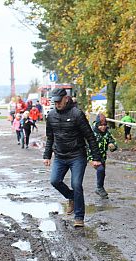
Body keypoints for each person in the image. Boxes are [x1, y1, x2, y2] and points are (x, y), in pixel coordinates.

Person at [43, 87, 102, 228]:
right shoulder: (51, 116)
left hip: (77, 156)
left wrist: (96, 157)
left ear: (66, 98)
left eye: (59, 101)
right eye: (54, 102)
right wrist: (47, 155)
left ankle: (79, 216)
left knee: (76, 184)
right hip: (60, 155)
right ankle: (71, 197)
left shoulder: (77, 114)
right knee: (55, 181)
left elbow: (90, 137)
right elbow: (50, 137)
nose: (57, 104)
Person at [89, 113, 118, 198]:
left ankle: (100, 188)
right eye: (101, 125)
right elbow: (87, 146)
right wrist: (91, 158)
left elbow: (113, 141)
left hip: (102, 157)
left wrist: (112, 145)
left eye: (105, 125)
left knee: (102, 172)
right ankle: (99, 188)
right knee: (100, 169)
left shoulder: (107, 133)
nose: (103, 127)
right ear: (97, 125)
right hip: (93, 156)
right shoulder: (92, 133)